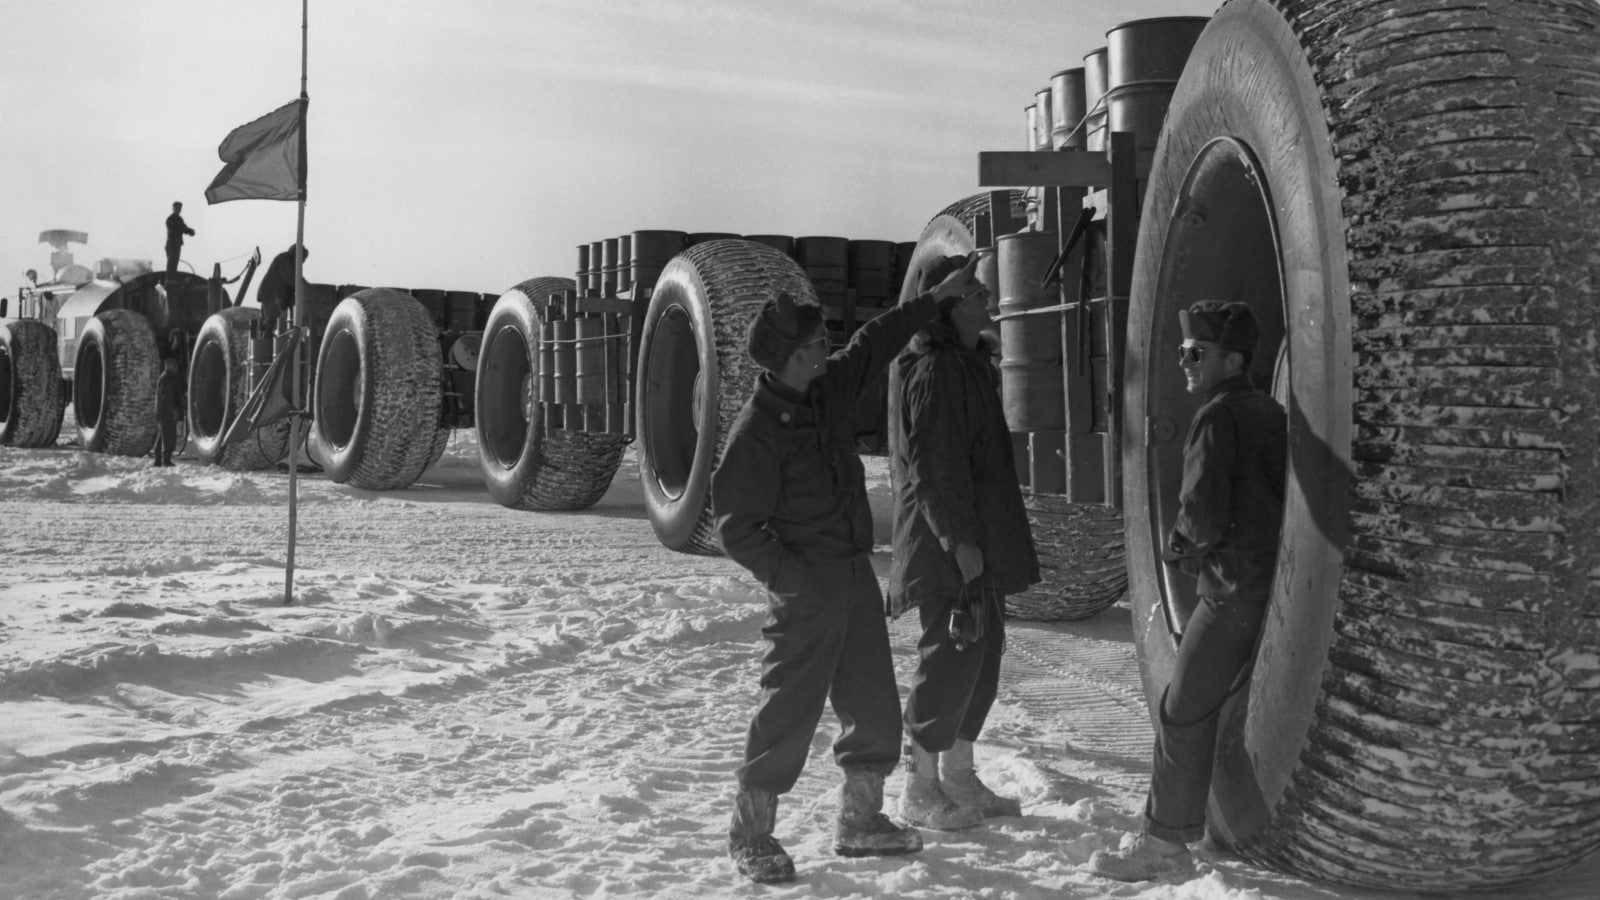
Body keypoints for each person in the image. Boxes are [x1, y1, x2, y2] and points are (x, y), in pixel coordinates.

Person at [712, 259, 984, 884]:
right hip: (806, 588)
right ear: (781, 357)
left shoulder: (825, 390)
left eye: (822, 344)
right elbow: (736, 527)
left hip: (853, 577)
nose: (823, 354)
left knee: (874, 707)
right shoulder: (756, 433)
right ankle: (751, 833)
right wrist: (794, 577)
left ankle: (860, 820)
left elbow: (876, 342)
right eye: (811, 348)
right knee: (787, 713)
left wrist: (931, 301)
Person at [1086, 300, 1286, 881]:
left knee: (1180, 711)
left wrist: (1176, 548)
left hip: (1230, 591)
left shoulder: (1216, 417)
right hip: (1269, 584)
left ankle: (1164, 847)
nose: (1183, 362)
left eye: (1195, 352)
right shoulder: (1270, 412)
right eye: (1181, 352)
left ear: (1233, 359)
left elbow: (1199, 512)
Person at [887, 255, 1039, 831]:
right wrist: (958, 542)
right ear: (948, 309)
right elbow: (934, 470)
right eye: (974, 291)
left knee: (982, 654)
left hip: (974, 541)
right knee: (950, 656)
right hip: (944, 544)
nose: (987, 297)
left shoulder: (969, 365)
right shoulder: (935, 372)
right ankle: (918, 787)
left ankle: (957, 775)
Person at [258, 244, 308, 335]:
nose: (301, 263)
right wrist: (307, 287)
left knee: (271, 324)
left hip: (275, 296)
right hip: (271, 295)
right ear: (296, 255)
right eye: (301, 260)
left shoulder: (288, 262)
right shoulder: (284, 259)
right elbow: (291, 278)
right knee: (270, 323)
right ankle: (264, 345)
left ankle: (267, 341)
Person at [152, 357, 182, 468]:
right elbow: (167, 397)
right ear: (169, 365)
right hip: (166, 412)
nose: (177, 368)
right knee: (168, 436)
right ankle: (166, 460)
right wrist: (174, 410)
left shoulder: (166, 377)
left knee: (162, 435)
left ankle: (158, 460)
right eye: (175, 365)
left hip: (162, 412)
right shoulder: (167, 378)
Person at [164, 202, 195, 280]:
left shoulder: (179, 219)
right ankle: (170, 278)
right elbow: (175, 230)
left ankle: (172, 276)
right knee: (172, 262)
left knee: (174, 261)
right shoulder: (170, 219)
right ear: (173, 209)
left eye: (179, 208)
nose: (178, 210)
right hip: (172, 243)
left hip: (176, 243)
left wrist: (189, 231)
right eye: (177, 208)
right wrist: (187, 231)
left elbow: (183, 228)